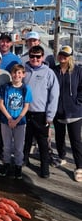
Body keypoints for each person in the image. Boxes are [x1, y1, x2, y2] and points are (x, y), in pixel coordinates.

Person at [23, 45, 59, 178]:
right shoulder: (24, 71)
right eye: (32, 56)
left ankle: (44, 169)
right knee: (26, 140)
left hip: (41, 114)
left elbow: (54, 96)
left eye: (38, 56)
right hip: (25, 113)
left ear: (42, 57)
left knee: (43, 143)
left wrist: (50, 116)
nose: (34, 59)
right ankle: (24, 160)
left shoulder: (49, 73)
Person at [0, 64, 32, 179]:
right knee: (6, 146)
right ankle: (6, 164)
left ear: (23, 75)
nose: (16, 75)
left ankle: (18, 166)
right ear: (11, 74)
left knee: (18, 147)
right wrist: (9, 118)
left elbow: (26, 106)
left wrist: (17, 120)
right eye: (14, 73)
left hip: (20, 122)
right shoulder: (5, 87)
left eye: (19, 73)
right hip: (5, 120)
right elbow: (1, 104)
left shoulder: (26, 88)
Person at [52, 45, 82, 182]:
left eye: (65, 54)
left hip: (75, 112)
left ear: (70, 57)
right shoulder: (54, 71)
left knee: (75, 141)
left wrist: (78, 102)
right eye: (61, 54)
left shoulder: (77, 71)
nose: (63, 56)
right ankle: (62, 157)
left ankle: (79, 167)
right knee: (59, 137)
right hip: (58, 111)